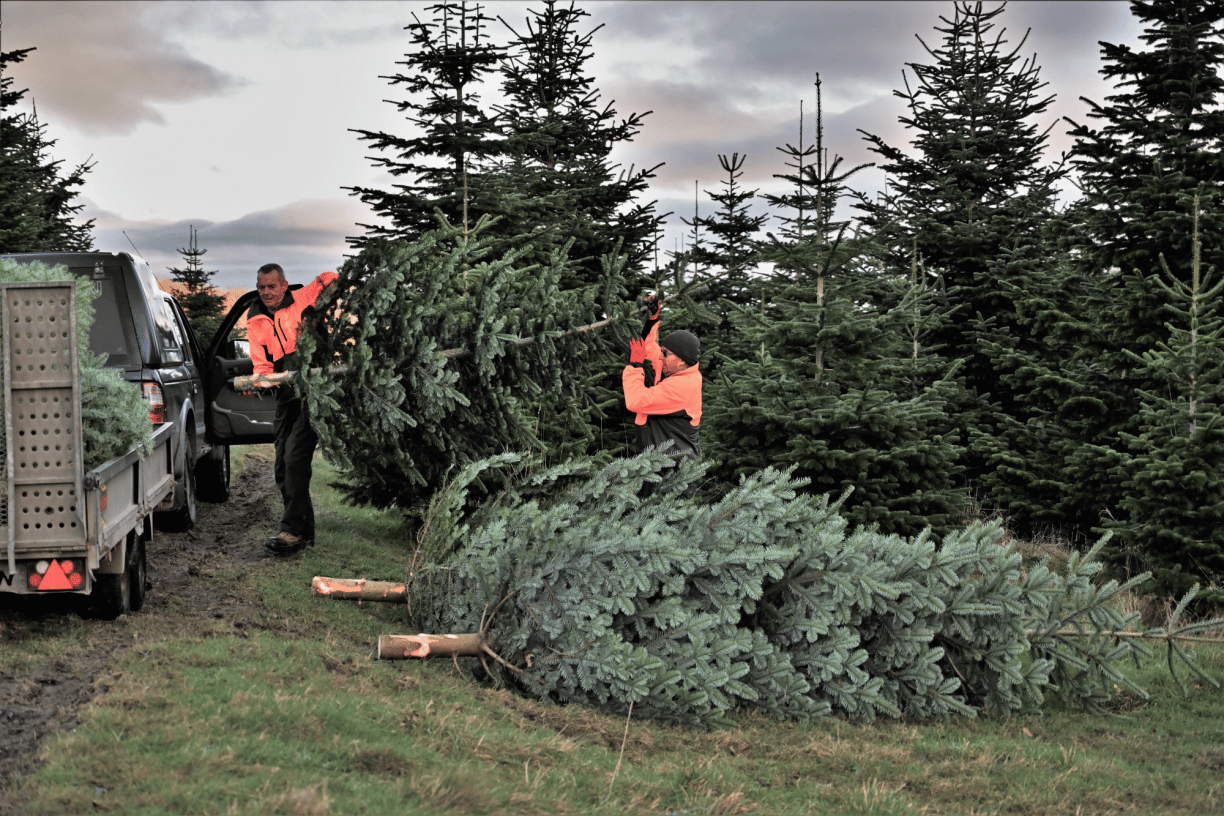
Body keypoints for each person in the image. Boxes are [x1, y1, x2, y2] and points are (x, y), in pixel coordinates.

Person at [245, 263, 338, 555]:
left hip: (313, 386)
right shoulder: (255, 317)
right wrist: (258, 380)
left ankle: (291, 531)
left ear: (284, 285)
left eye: (272, 286)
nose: (266, 293)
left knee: (296, 456)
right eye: (261, 287)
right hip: (286, 390)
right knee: (282, 466)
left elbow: (329, 278)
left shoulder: (302, 297)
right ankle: (304, 534)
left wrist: (333, 287)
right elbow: (260, 361)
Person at [622, 293, 702, 461]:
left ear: (681, 360)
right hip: (654, 465)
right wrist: (652, 319)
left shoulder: (683, 386)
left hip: (674, 473)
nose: (660, 356)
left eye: (665, 353)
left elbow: (636, 401)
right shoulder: (676, 369)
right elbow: (649, 347)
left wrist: (635, 367)